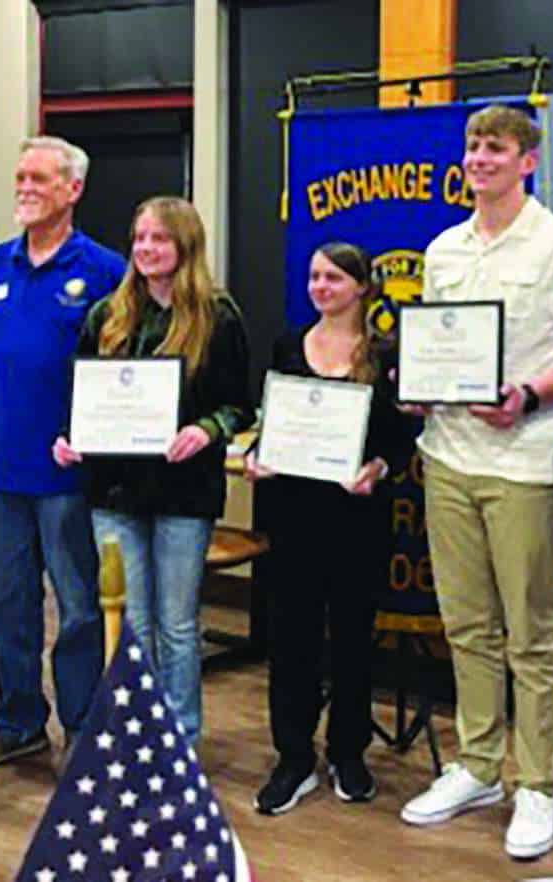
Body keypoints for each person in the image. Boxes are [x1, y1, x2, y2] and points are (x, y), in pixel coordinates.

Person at [399, 105, 553, 859]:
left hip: (525, 460)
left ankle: (538, 786)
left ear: (527, 161)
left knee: (532, 634)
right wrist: (419, 386)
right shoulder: (444, 248)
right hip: (448, 455)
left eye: (495, 147)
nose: (479, 158)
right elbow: (442, 347)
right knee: (467, 624)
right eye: (471, 146)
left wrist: (528, 395)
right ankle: (480, 765)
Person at [0, 137, 126, 774]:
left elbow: (125, 372)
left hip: (66, 477)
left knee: (77, 606)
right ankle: (18, 721)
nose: (24, 187)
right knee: (3, 604)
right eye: (19, 175)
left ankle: (81, 725)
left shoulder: (106, 270)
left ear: (73, 189)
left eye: (39, 178)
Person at [52, 196, 253, 745]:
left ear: (184, 246)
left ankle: (181, 737)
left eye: (159, 239)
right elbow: (81, 400)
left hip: (184, 495)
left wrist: (206, 431)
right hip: (113, 496)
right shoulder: (107, 315)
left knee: (178, 625)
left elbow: (241, 405)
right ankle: (137, 734)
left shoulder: (218, 316)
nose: (146, 249)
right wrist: (71, 440)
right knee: (129, 624)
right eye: (139, 238)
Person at [245, 242, 417, 814]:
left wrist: (379, 469)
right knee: (290, 640)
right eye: (315, 276)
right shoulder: (288, 344)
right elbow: (271, 419)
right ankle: (293, 758)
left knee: (350, 641)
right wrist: (256, 456)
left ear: (361, 286)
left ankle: (348, 753)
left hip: (356, 518)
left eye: (334, 278)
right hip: (293, 513)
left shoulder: (385, 353)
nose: (321, 287)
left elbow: (400, 439)